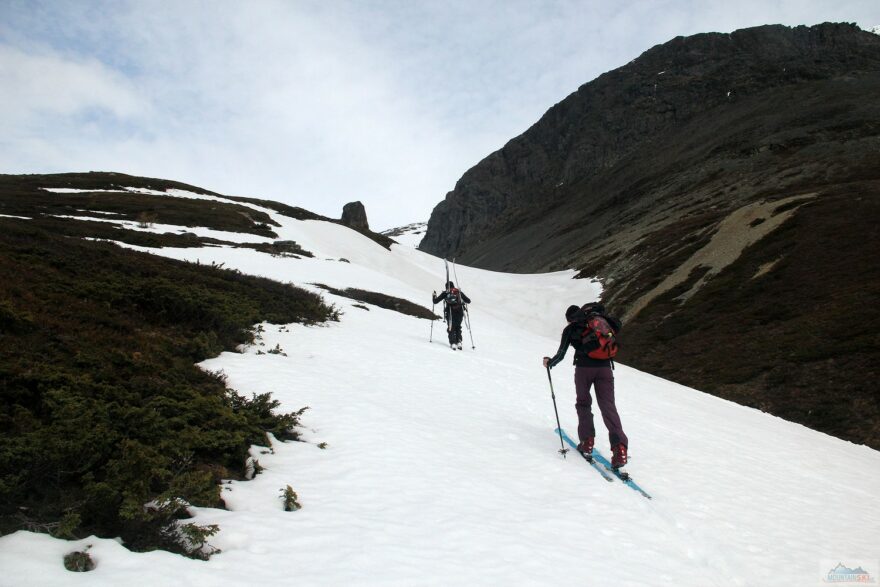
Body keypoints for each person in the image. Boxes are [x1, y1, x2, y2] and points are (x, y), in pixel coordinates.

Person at [543, 303, 629, 468]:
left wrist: (549, 362)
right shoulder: (600, 322)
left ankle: (587, 442)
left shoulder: (572, 329)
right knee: (608, 407)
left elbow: (561, 354)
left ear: (569, 319)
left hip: (583, 369)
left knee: (583, 403)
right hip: (605, 369)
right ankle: (620, 449)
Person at [433, 281, 471, 350]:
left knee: (451, 327)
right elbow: (468, 301)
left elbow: (435, 301)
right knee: (458, 327)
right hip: (460, 312)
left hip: (450, 312)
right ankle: (459, 342)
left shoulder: (445, 293)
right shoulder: (458, 292)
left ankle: (453, 343)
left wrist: (434, 296)